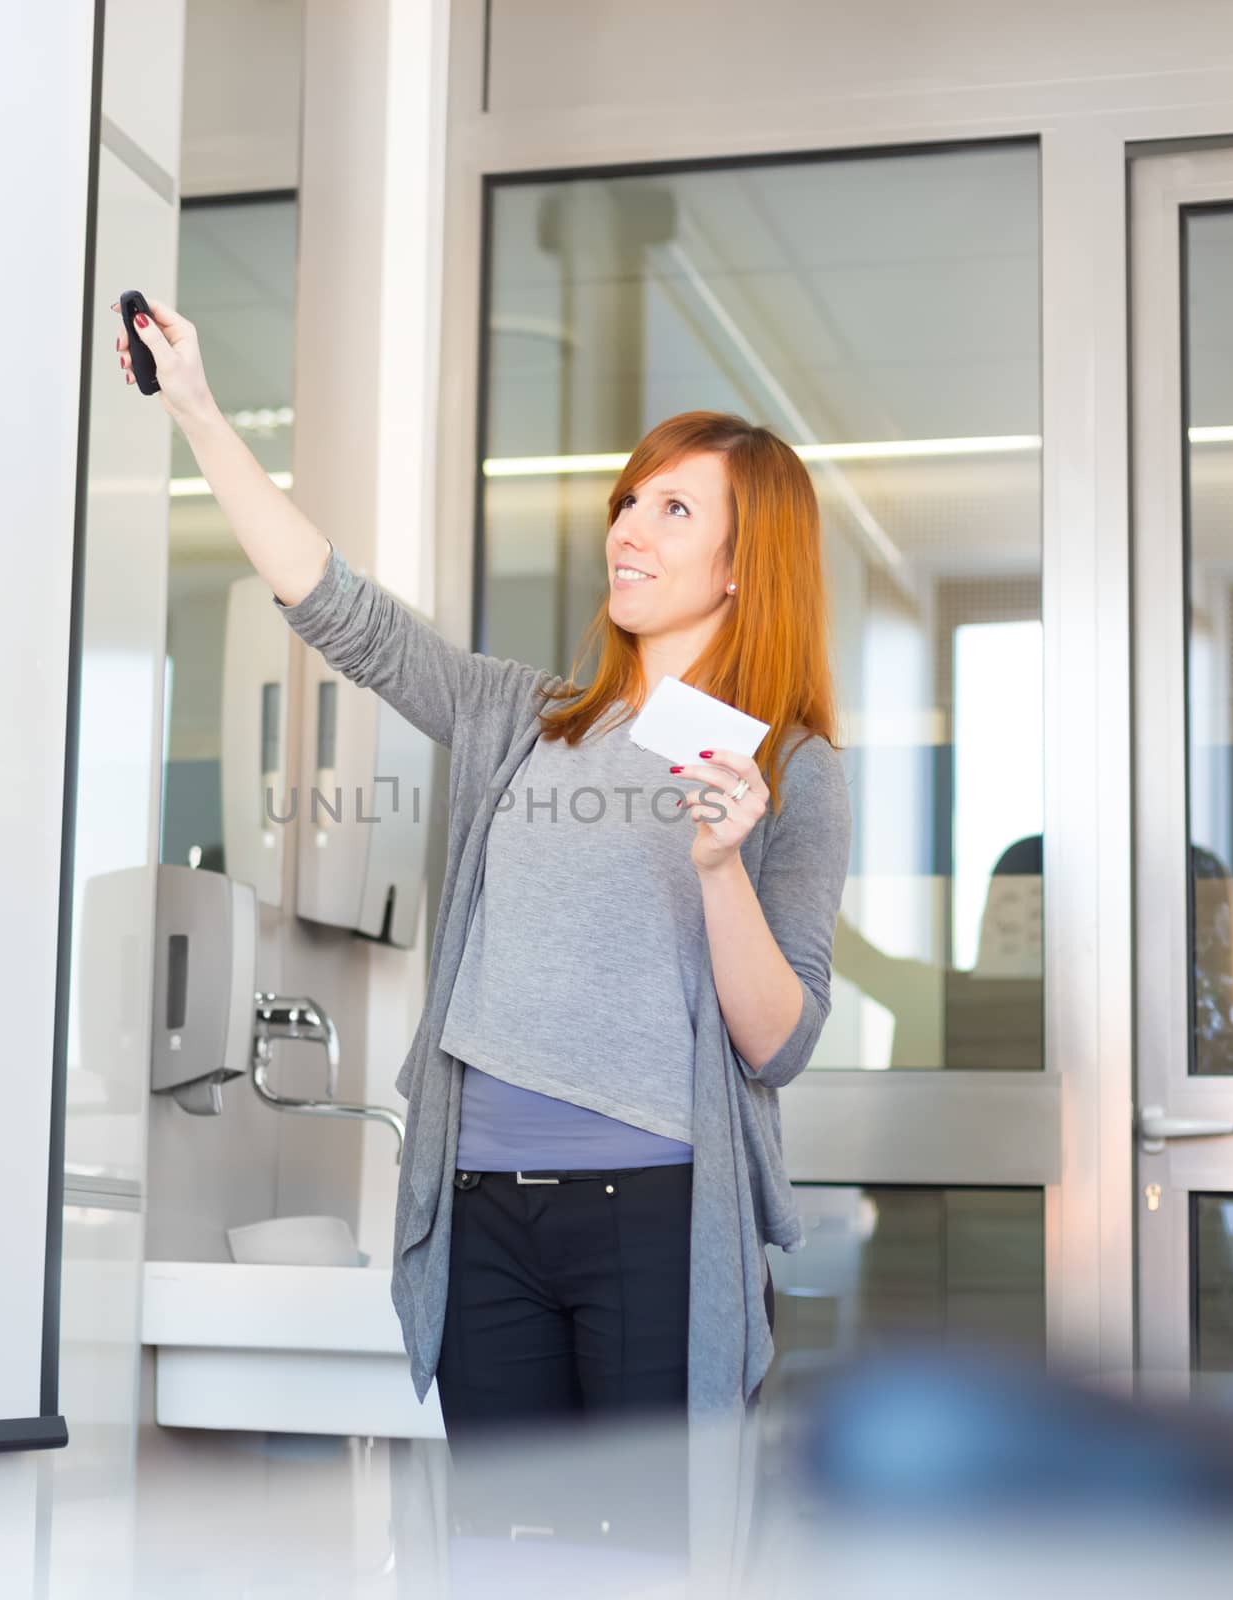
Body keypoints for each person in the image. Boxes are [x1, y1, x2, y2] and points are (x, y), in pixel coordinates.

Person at [115, 298, 851, 1441]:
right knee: (502, 1550)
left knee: (646, 1551)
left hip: (655, 1215)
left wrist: (719, 868)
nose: (627, 530)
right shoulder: (521, 715)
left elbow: (779, 1042)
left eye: (670, 508)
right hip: (482, 1210)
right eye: (626, 503)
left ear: (743, 563)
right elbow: (336, 607)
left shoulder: (789, 769)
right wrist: (199, 412)